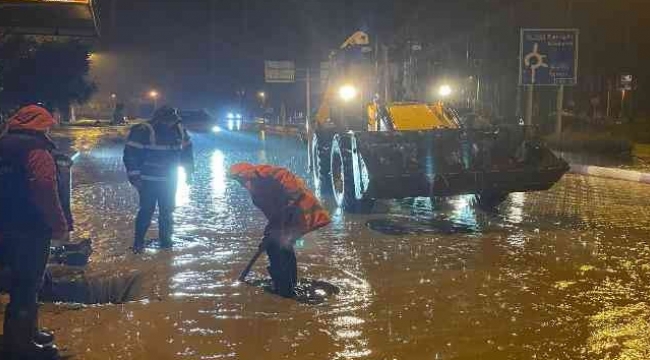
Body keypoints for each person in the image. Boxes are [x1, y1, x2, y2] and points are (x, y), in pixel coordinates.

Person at [0, 104, 69, 359]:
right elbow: (44, 190)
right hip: (30, 226)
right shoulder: (37, 152)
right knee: (28, 283)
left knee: (18, 280)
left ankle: (28, 331)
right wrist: (59, 223)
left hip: (4, 225)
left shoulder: (3, 144)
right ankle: (20, 345)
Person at [229, 163, 331, 298]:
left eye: (243, 180)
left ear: (250, 174)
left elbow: (292, 189)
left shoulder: (267, 175)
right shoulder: (258, 191)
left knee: (277, 248)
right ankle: (288, 285)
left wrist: (287, 209)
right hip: (287, 219)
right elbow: (273, 215)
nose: (243, 185)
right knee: (281, 246)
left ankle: (284, 290)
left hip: (298, 214)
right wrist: (269, 233)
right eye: (239, 182)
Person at [123, 106, 194, 253]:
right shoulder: (143, 130)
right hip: (148, 180)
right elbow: (130, 154)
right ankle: (138, 244)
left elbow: (187, 152)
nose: (170, 124)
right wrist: (134, 177)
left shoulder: (179, 129)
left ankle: (166, 244)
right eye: (167, 121)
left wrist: (188, 173)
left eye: (172, 121)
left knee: (167, 211)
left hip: (170, 180)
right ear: (159, 119)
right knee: (146, 210)